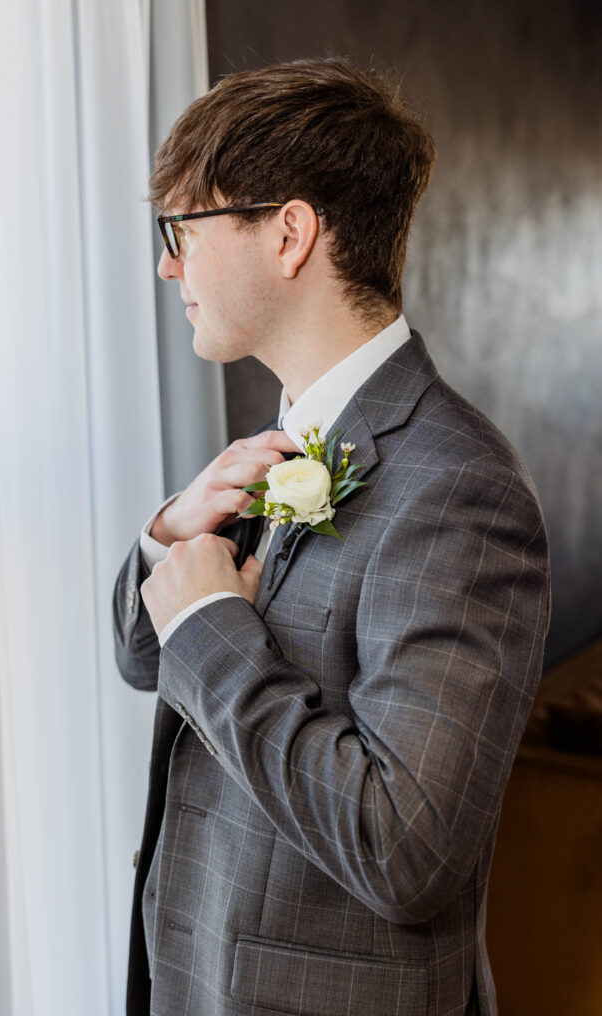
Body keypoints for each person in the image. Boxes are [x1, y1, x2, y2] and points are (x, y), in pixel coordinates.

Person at [113, 58, 550, 1016]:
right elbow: (146, 661)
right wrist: (166, 544)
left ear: (290, 233)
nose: (166, 265)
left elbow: (405, 851)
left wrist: (209, 632)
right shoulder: (284, 441)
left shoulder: (461, 488)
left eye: (182, 229)